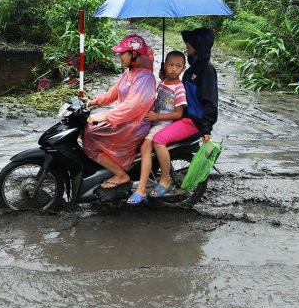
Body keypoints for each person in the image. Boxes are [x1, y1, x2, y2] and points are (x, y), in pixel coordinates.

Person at [145, 27, 219, 198]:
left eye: (190, 43)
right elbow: (178, 93)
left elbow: (210, 101)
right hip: (182, 117)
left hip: (193, 121)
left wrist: (206, 128)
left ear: (199, 45)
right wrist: (167, 77)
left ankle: (165, 180)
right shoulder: (190, 70)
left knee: (159, 139)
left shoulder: (206, 70)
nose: (187, 45)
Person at [83, 34, 156, 199]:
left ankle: (121, 175)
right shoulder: (129, 72)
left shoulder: (146, 77)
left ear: (134, 54)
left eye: (123, 53)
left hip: (136, 124)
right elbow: (113, 93)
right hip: (125, 120)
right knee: (88, 127)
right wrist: (92, 102)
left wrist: (106, 116)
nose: (120, 56)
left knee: (90, 134)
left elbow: (134, 106)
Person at [128, 51, 187, 205]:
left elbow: (178, 114)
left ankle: (143, 188)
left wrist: (157, 117)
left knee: (146, 147)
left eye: (178, 66)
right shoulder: (164, 82)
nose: (174, 69)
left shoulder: (179, 89)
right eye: (170, 65)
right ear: (165, 66)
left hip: (163, 123)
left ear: (183, 68)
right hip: (154, 120)